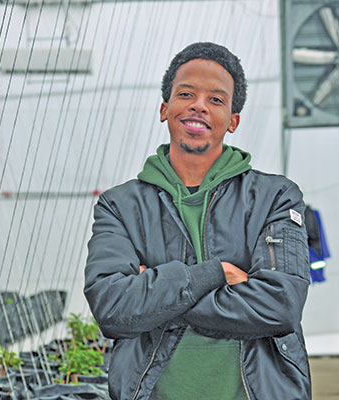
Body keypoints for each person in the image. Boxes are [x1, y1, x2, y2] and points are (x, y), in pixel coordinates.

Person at [84, 42, 311, 400]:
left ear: (232, 121)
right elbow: (112, 308)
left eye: (217, 100)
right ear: (165, 109)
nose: (199, 105)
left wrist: (155, 298)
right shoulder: (120, 205)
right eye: (186, 93)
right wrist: (217, 273)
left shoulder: (275, 197)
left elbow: (281, 306)